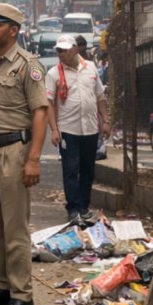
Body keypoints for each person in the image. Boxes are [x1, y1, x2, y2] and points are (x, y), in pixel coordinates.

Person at [0, 2, 48, 305]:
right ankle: (4, 286)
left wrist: (33, 158)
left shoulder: (27, 65)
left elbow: (41, 112)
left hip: (14, 152)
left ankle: (23, 296)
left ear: (13, 30)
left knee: (15, 228)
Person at [45, 34, 110, 222]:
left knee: (88, 169)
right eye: (58, 50)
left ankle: (83, 207)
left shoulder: (90, 68)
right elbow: (48, 103)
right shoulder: (54, 73)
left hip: (90, 128)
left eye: (64, 50)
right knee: (71, 170)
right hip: (68, 130)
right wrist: (54, 130)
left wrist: (105, 120)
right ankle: (72, 209)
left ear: (75, 49)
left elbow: (100, 96)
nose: (61, 54)